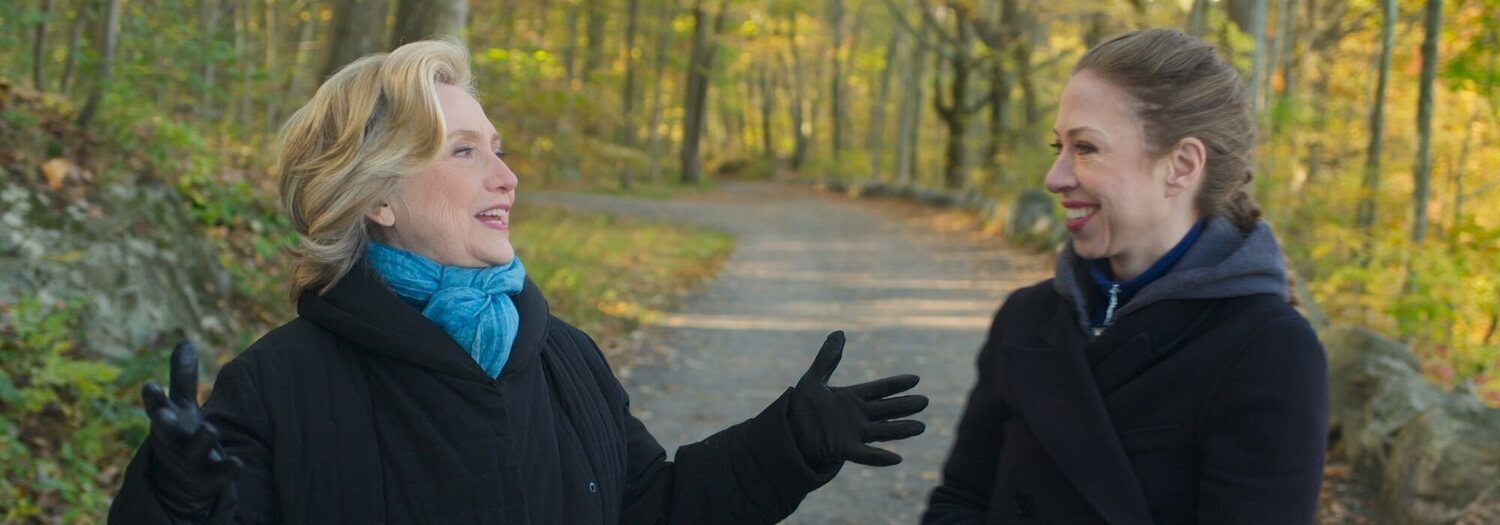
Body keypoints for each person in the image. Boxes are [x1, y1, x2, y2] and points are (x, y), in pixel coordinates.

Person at [109, 40, 929, 523]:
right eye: (465, 151)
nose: (506, 177)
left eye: (496, 148)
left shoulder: (564, 357)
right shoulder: (276, 386)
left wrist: (784, 444)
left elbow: (650, 507)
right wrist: (174, 501)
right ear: (376, 196)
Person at [922, 28, 1328, 524]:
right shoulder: (1027, 318)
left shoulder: (1269, 350)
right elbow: (959, 500)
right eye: (1058, 146)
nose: (1055, 177)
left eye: (1086, 148)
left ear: (1181, 166)